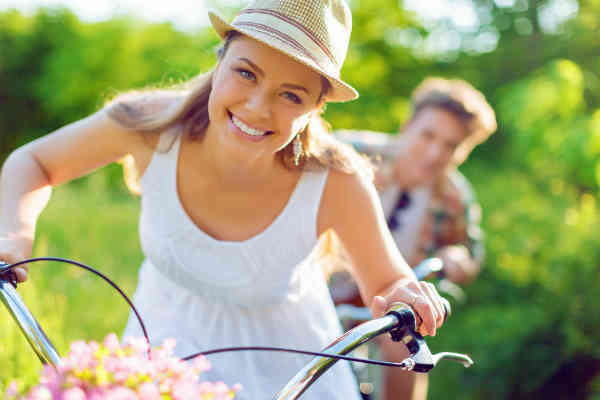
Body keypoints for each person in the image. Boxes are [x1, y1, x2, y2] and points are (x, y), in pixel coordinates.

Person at [0, 1, 448, 399]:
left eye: (290, 95)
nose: (256, 106)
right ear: (220, 60)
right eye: (245, 72)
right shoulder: (148, 128)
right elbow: (34, 161)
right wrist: (12, 235)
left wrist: (405, 292)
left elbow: (386, 284)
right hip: (160, 367)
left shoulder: (335, 179)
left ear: (315, 108)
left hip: (294, 378)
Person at [331, 77, 497, 400]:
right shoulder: (350, 153)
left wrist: (456, 257)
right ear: (408, 125)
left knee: (408, 354)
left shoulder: (454, 194)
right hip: (317, 287)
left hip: (383, 303)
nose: (435, 153)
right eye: (428, 135)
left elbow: (469, 252)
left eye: (451, 146)